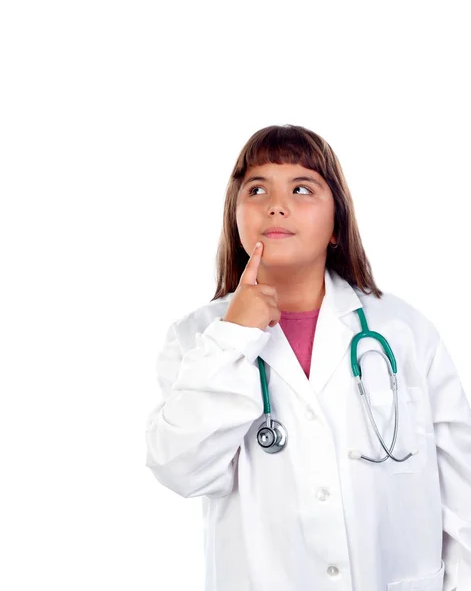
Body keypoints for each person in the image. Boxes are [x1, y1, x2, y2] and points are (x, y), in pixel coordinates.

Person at [145, 124, 471, 591]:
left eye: (302, 188)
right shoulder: (198, 338)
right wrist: (235, 336)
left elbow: (462, 496)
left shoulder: (404, 332)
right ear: (234, 218)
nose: (277, 204)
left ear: (337, 224)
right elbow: (179, 468)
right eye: (256, 188)